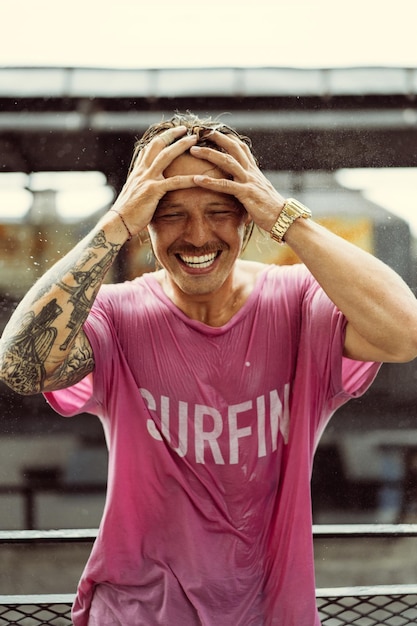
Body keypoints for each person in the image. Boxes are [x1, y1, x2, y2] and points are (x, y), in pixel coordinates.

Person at [1, 112, 417, 626]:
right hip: (136, 610)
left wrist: (285, 215)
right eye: (170, 213)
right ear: (146, 221)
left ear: (248, 217)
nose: (197, 236)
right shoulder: (116, 313)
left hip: (269, 611)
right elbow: (22, 367)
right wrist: (116, 222)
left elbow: (406, 333)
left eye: (220, 210)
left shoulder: (302, 302)